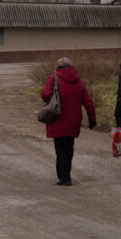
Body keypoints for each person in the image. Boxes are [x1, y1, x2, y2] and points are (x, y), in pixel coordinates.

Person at [40, 57, 96, 186]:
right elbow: (89, 103)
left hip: (58, 118)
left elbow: (45, 94)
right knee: (69, 147)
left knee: (60, 149)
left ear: (58, 67)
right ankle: (66, 175)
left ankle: (65, 177)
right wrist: (92, 119)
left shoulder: (53, 79)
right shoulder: (79, 81)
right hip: (74, 120)